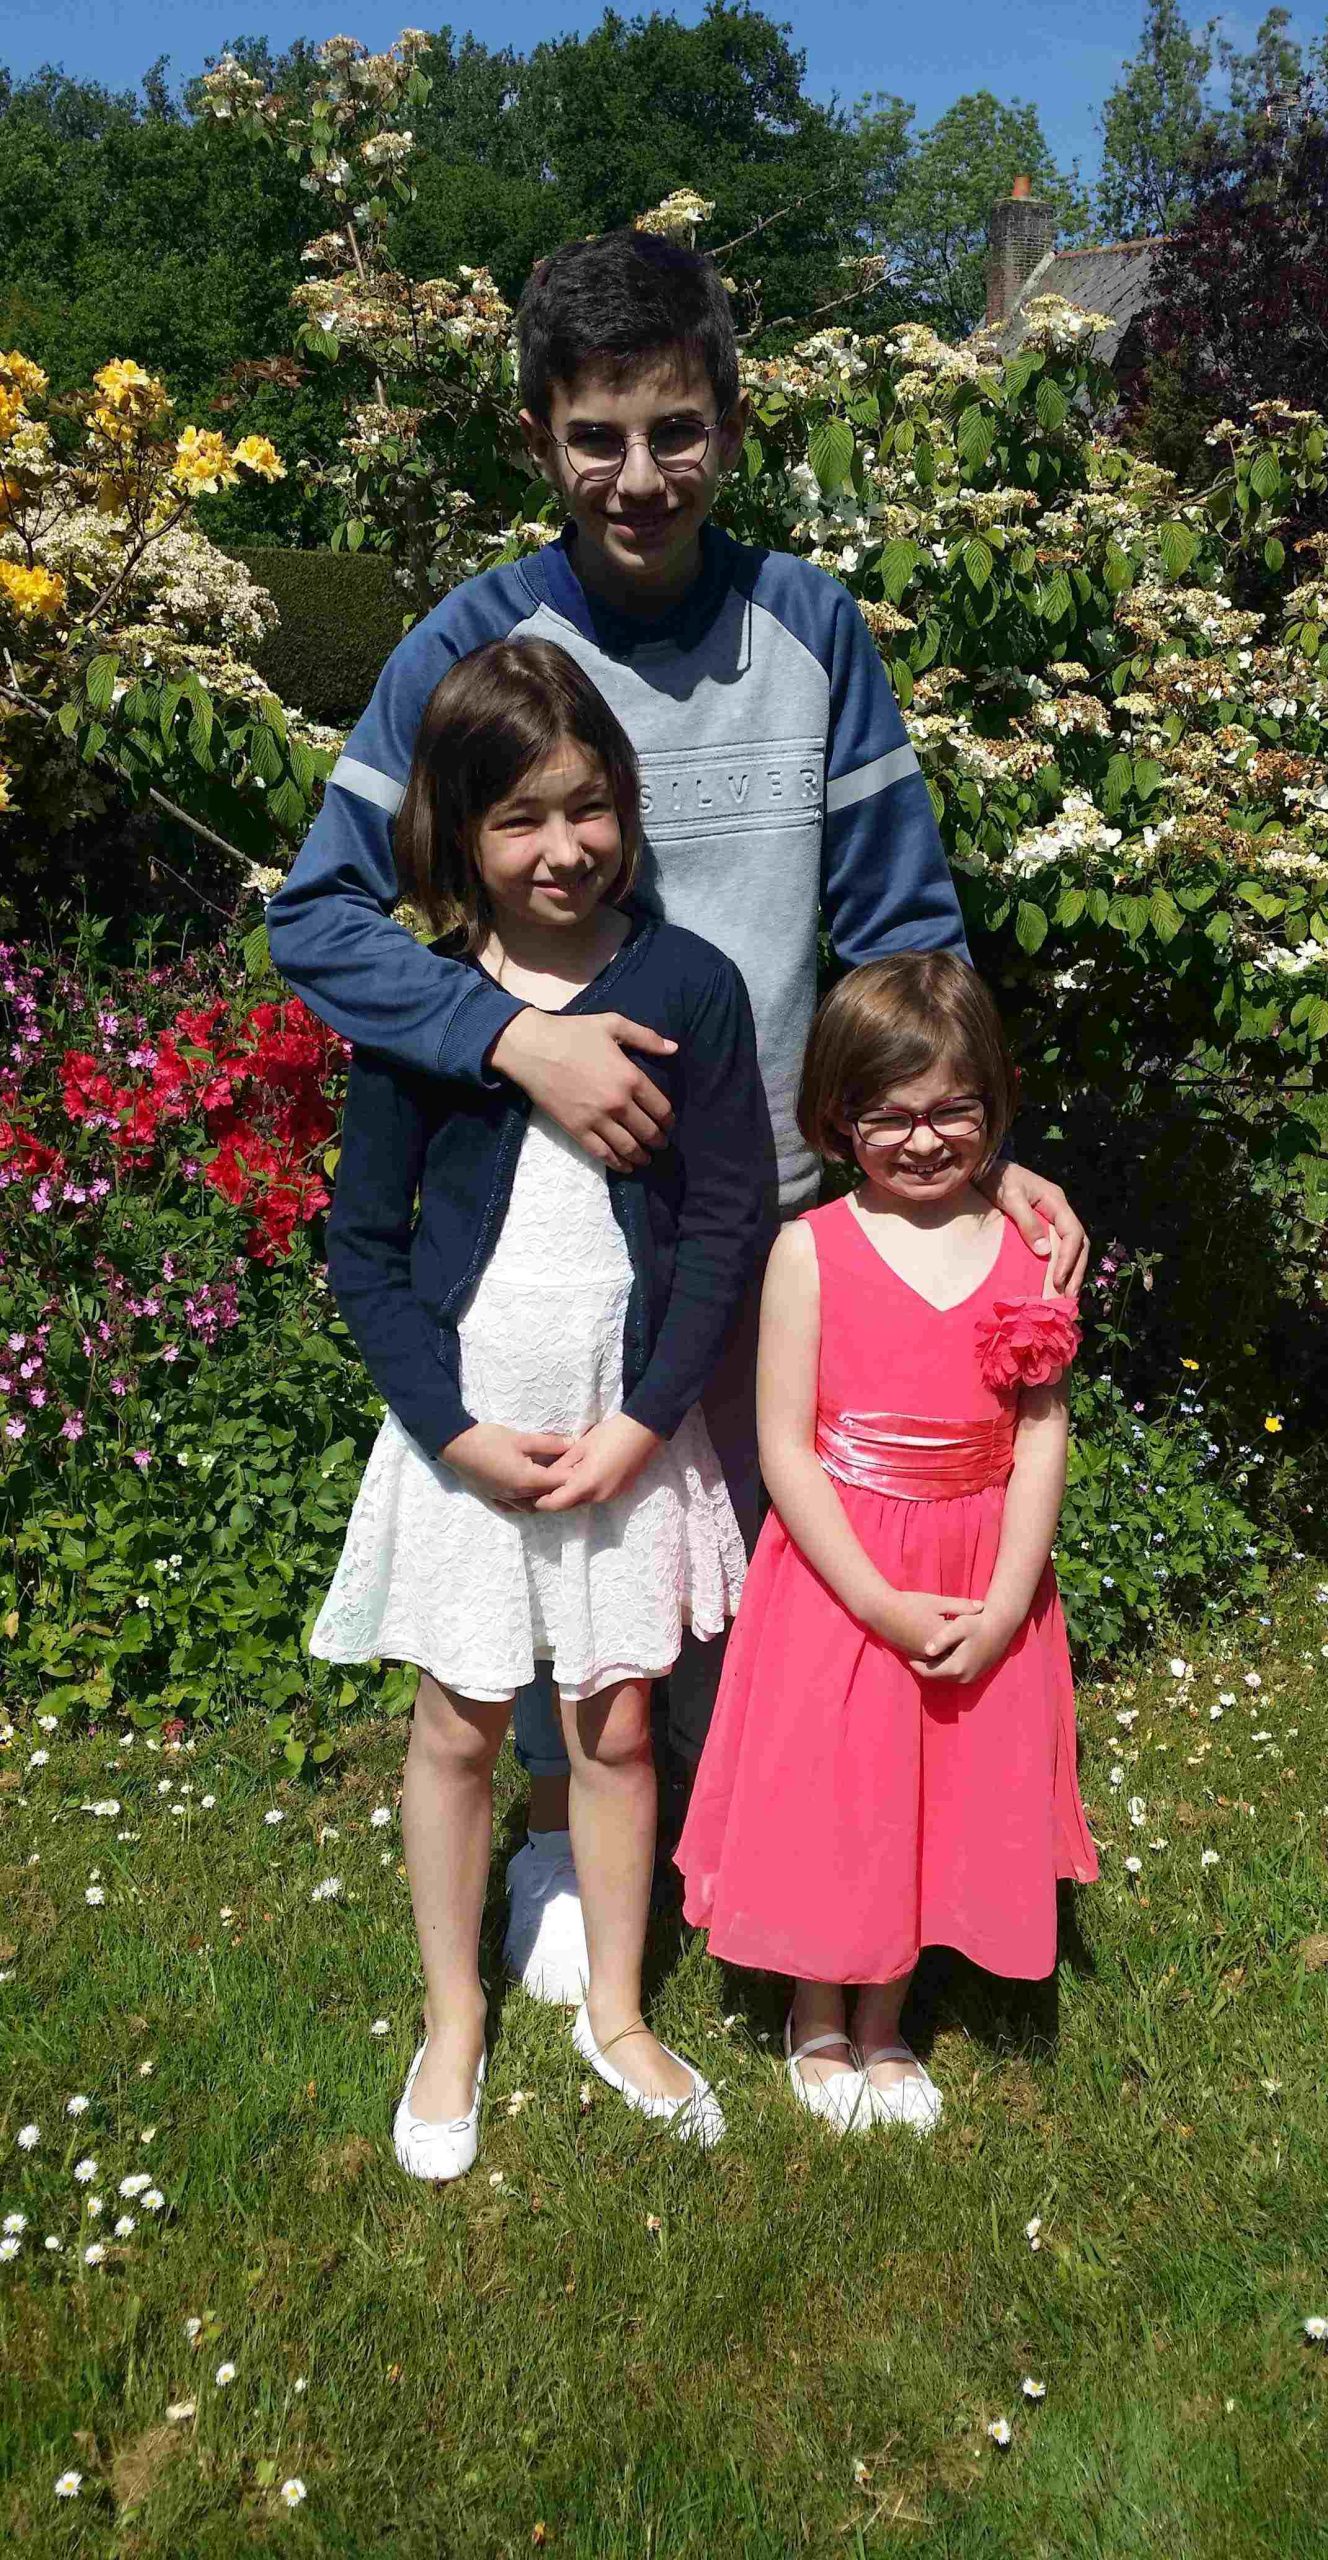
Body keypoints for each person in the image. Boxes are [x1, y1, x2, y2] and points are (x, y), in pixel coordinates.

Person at [268, 224, 1089, 2004]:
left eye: (673, 430)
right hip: (553, 1235)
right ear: (536, 440)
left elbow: (901, 927)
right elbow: (317, 916)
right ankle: (558, 1853)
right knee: (564, 1549)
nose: (636, 476)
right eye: (595, 437)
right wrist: (510, 1037)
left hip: (780, 1215)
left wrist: (978, 1150)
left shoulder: (809, 629)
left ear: (729, 421)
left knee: (746, 1575)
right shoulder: (469, 643)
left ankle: (764, 1861)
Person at [310, 638, 769, 2173]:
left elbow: (726, 1222)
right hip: (471, 1430)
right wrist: (449, 1432)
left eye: (585, 808)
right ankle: (452, 2020)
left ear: (623, 806)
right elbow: (363, 1248)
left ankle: (617, 2011)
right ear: (459, 832)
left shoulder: (691, 987)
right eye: (518, 818)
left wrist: (645, 1421)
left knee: (618, 1724)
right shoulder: (427, 1007)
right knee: (456, 1726)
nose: (560, 847)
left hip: (624, 1423)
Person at [676, 953, 1099, 2136]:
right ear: (836, 1116)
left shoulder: (1027, 1251)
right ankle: (815, 2012)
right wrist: (872, 1599)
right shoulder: (809, 1250)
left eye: (951, 1111)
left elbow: (1040, 1435)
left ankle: (885, 2020)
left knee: (934, 1790)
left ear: (994, 1105)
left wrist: (1007, 1599)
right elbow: (784, 1447)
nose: (921, 1140)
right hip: (842, 1578)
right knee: (841, 1790)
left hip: (977, 1569)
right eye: (887, 1116)